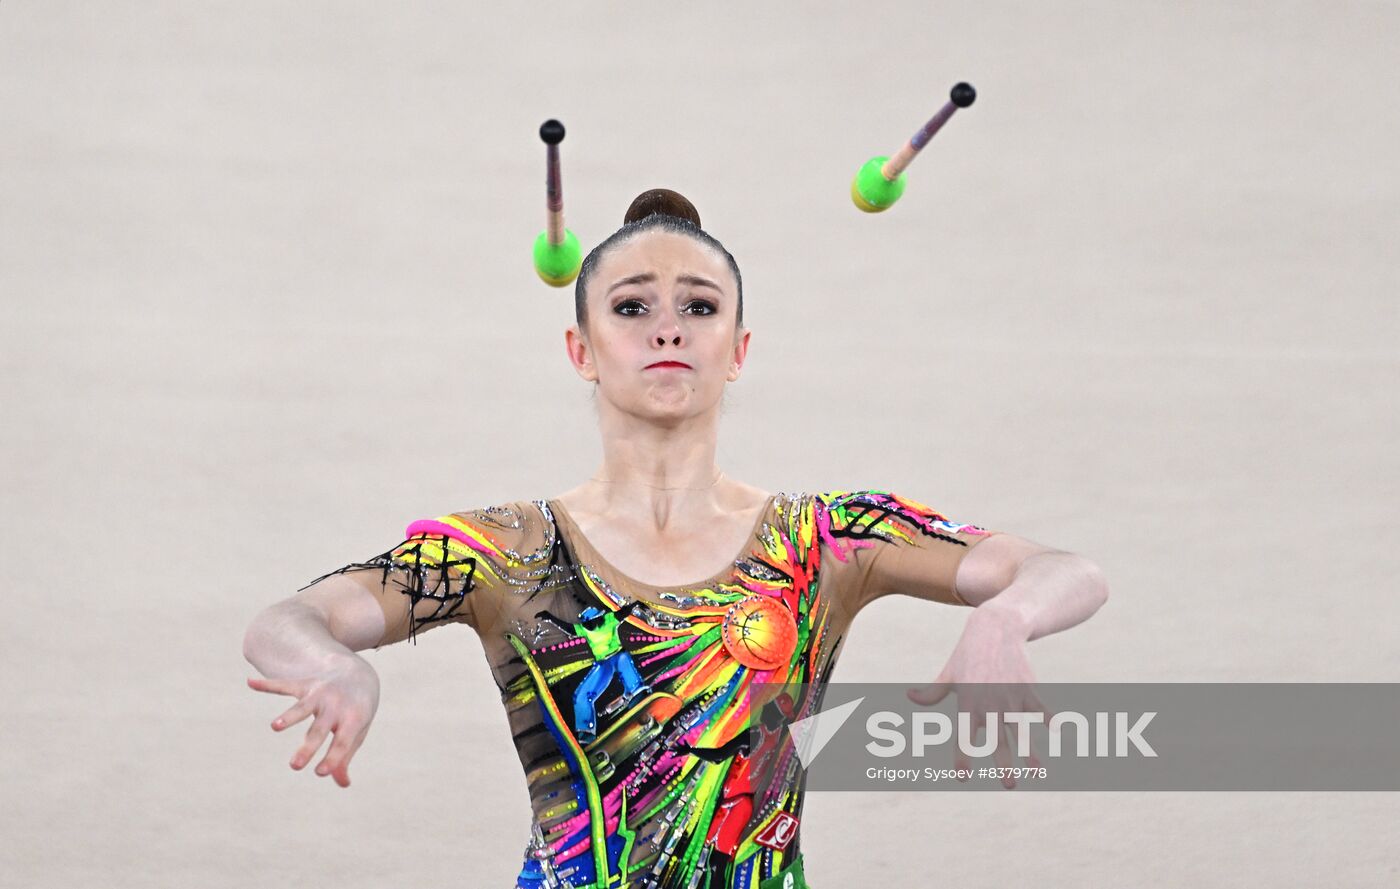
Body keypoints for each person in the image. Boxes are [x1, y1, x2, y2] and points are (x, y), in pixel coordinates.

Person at [242, 188, 1110, 889]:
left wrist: (1008, 616)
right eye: (632, 307)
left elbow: (1068, 570)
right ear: (582, 349)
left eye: (699, 306)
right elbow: (291, 618)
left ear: (737, 349)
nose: (668, 327)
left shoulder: (827, 538)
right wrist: (331, 663)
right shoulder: (505, 550)